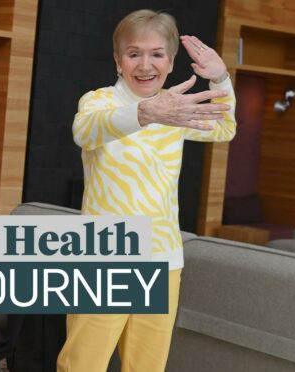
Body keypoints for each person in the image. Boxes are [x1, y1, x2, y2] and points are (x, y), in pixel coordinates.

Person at [56, 9, 236, 372]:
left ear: (170, 62)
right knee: (82, 364)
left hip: (162, 258)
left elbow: (223, 129)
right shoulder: (99, 101)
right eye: (134, 53)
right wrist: (147, 113)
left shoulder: (177, 108)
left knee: (147, 367)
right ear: (118, 60)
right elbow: (85, 132)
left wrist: (220, 79)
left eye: (156, 54)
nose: (145, 63)